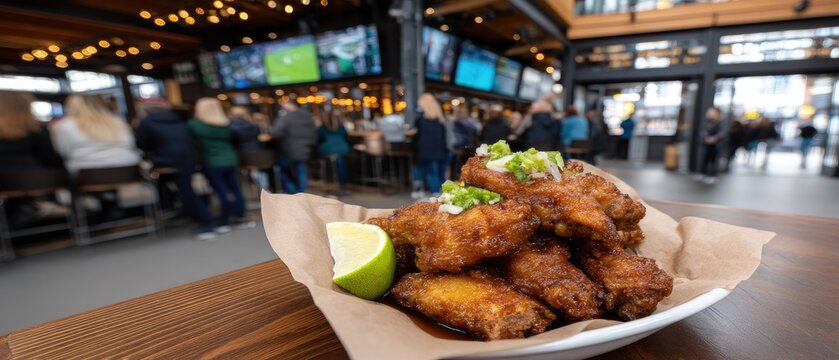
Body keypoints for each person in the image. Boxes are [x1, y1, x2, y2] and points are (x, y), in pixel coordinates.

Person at [134, 102, 217, 240]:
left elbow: (141, 143)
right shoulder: (179, 119)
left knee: (185, 191)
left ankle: (206, 221)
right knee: (184, 189)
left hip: (166, 161)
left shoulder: (147, 122)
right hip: (188, 158)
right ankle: (184, 211)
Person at [188, 98, 254, 232]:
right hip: (230, 159)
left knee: (221, 192)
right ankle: (240, 216)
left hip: (212, 161)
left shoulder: (194, 125)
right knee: (235, 189)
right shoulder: (226, 124)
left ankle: (225, 219)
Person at [0, 91, 64, 227]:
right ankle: (36, 206)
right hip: (37, 181)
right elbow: (50, 158)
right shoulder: (36, 130)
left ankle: (25, 210)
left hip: (4, 183)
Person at [50, 95, 141, 175]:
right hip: (128, 170)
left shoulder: (66, 125)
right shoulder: (118, 122)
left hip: (86, 174)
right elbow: (131, 144)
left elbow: (64, 152)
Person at [266, 101, 317, 194]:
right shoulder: (307, 115)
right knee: (301, 170)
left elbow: (275, 132)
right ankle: (302, 192)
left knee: (284, 170)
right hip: (306, 148)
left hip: (289, 149)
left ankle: (293, 192)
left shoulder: (286, 116)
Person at [412, 93, 448, 197]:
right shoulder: (441, 119)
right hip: (440, 150)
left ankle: (435, 192)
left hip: (426, 150)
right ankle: (439, 192)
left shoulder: (420, 120)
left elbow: (417, 135)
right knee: (437, 172)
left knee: (430, 172)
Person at [317, 110, 351, 191]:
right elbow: (347, 138)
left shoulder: (322, 128)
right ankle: (343, 184)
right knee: (341, 162)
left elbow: (318, 139)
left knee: (327, 162)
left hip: (327, 151)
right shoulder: (342, 128)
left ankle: (329, 183)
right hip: (342, 150)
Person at [450, 106, 479, 180]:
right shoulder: (455, 123)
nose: (461, 114)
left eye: (463, 112)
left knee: (465, 168)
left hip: (468, 148)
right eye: (460, 112)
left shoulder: (470, 123)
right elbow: (454, 137)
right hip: (458, 149)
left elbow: (474, 135)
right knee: (456, 168)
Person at [697, 107, 724, 184]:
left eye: (712, 112)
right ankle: (703, 174)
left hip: (716, 145)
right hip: (706, 144)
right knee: (704, 159)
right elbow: (702, 131)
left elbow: (723, 133)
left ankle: (712, 175)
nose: (710, 114)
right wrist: (706, 138)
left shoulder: (721, 122)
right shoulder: (707, 121)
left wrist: (715, 138)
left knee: (714, 161)